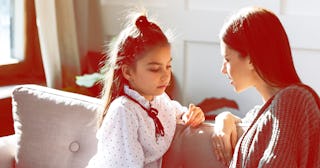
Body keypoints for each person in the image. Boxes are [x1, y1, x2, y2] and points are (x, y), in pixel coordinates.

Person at [86, 11, 205, 168]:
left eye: (168, 66)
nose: (166, 75)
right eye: (155, 69)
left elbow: (174, 110)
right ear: (128, 72)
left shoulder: (158, 99)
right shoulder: (124, 111)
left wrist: (190, 114)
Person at [211, 6, 320, 167]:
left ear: (250, 58)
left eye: (227, 59)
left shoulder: (293, 99)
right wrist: (224, 118)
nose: (222, 69)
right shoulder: (264, 113)